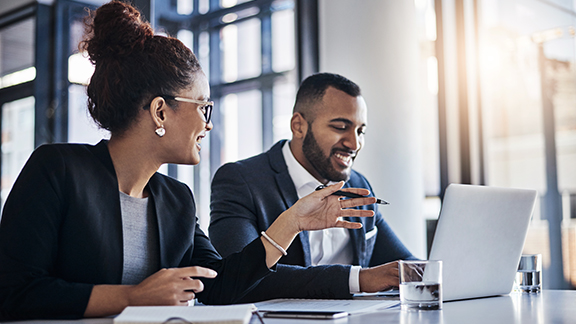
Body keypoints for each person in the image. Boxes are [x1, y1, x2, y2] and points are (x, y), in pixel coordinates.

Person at [0, 4, 377, 321]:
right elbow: (14, 292)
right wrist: (133, 296)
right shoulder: (57, 170)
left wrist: (292, 222)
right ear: (160, 111)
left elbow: (219, 286)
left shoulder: (176, 199)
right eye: (203, 107)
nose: (208, 123)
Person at [210, 72, 416, 302]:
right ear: (298, 126)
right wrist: (359, 279)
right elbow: (238, 277)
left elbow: (402, 265)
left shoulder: (358, 185)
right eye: (340, 127)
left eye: (360, 131)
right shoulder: (241, 181)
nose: (354, 144)